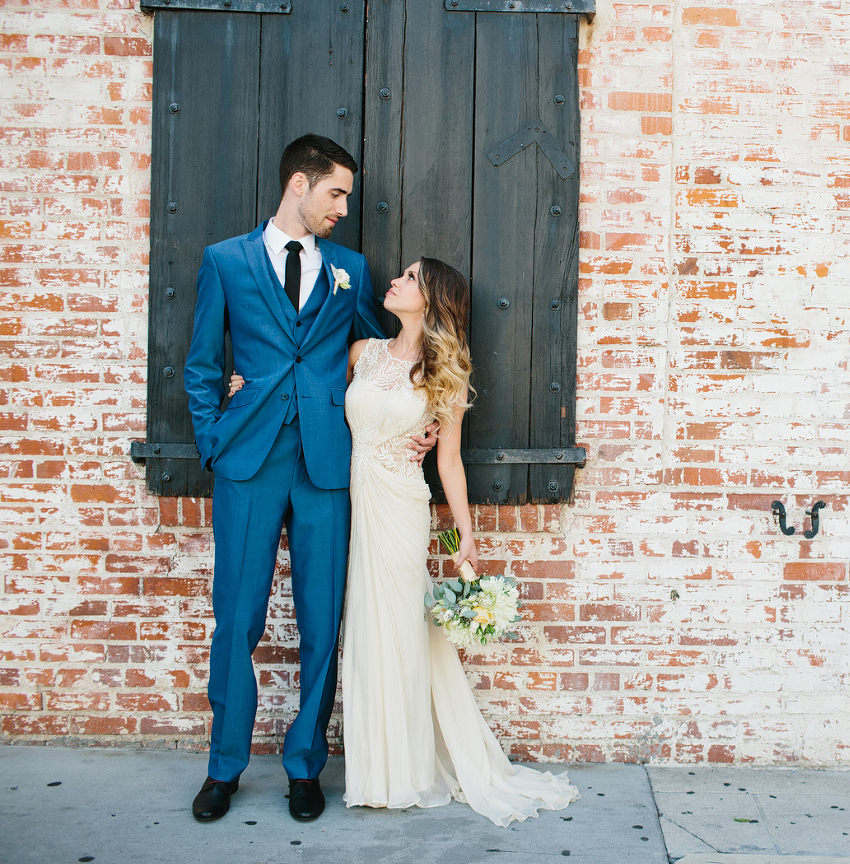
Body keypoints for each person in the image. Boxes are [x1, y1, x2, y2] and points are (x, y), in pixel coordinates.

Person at [231, 258, 578, 825]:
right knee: (359, 629)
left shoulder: (445, 374)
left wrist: (465, 535)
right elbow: (301, 396)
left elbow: (449, 461)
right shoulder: (361, 352)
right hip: (349, 501)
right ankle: (375, 767)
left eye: (412, 278)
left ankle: (405, 770)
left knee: (397, 628)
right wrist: (244, 386)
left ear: (432, 299)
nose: (396, 281)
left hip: (400, 506)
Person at [183, 134, 434, 823]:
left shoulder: (349, 268)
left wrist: (424, 411)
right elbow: (204, 363)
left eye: (346, 197)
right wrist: (214, 439)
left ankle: (304, 766)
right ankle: (224, 766)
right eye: (336, 193)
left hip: (328, 465)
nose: (343, 209)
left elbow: (386, 348)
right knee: (237, 616)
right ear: (299, 184)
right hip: (249, 462)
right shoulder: (225, 261)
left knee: (322, 621)